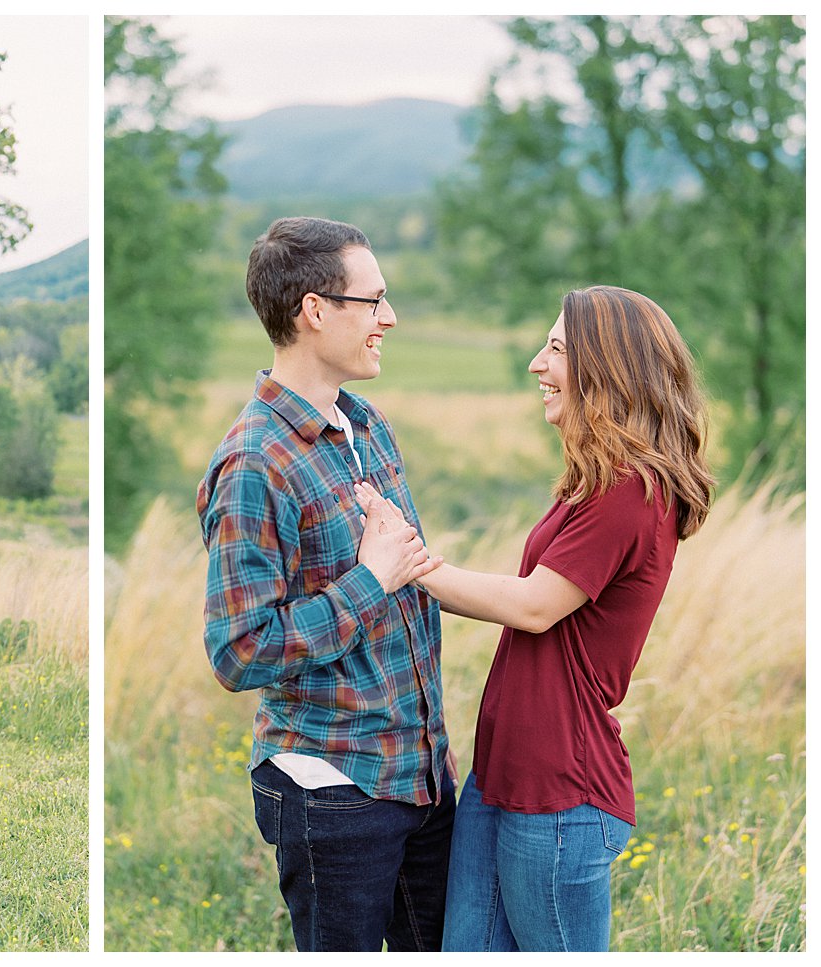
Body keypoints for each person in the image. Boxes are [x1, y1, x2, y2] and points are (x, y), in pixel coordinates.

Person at [357, 285, 714, 951]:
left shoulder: (629, 491)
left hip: (560, 795)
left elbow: (533, 606)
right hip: (503, 778)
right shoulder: (591, 484)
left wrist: (403, 560)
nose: (535, 364)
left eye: (555, 348)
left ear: (604, 367)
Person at [196, 217, 451, 952]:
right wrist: (369, 582)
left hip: (421, 775)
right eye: (373, 301)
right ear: (315, 310)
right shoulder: (254, 462)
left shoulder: (368, 427)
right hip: (332, 789)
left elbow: (411, 579)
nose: (389, 317)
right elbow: (238, 650)